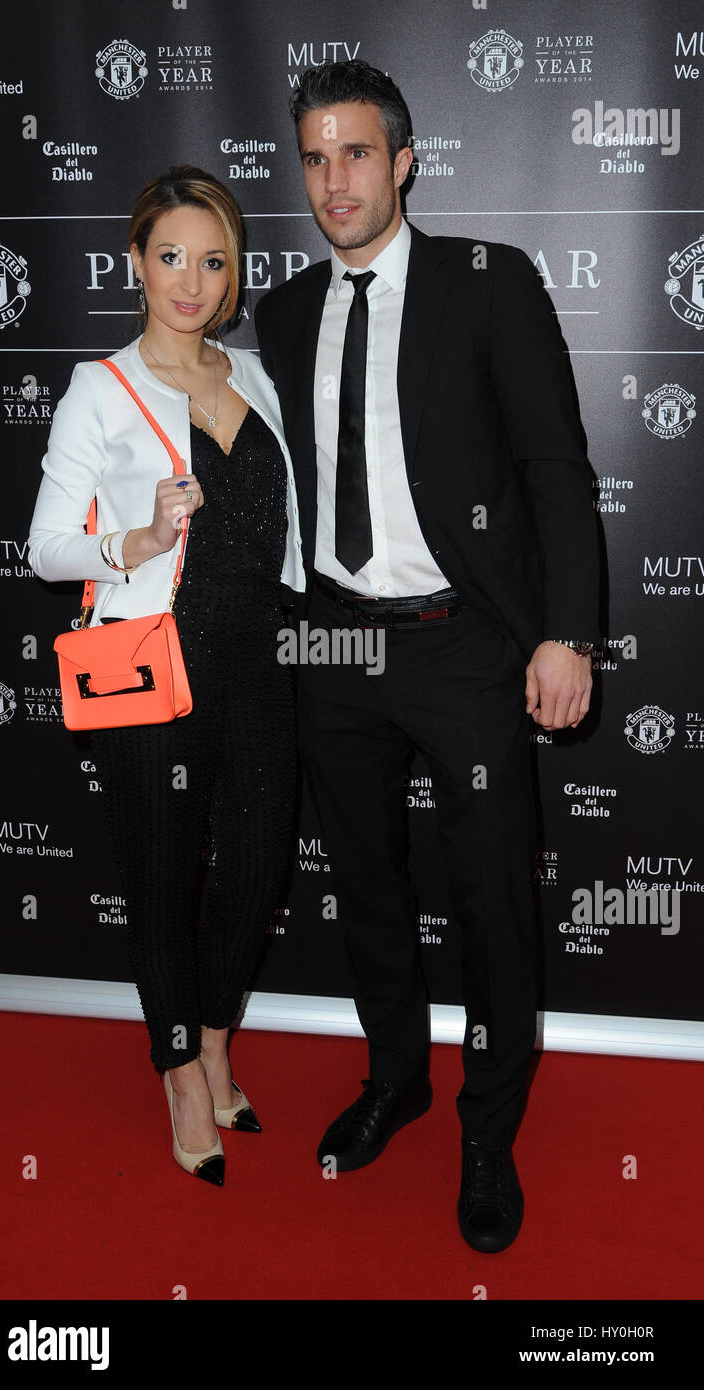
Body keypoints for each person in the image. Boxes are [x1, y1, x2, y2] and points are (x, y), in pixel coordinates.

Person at [254, 61, 600, 1251]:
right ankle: (395, 1076)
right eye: (314, 156)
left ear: (402, 162)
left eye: (356, 153)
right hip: (335, 637)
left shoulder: (484, 284)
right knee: (366, 888)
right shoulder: (286, 310)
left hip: (464, 643)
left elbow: (555, 467)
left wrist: (564, 631)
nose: (333, 179)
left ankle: (484, 1129)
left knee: (492, 903)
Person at [28, 166, 305, 1185]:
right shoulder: (100, 387)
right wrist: (135, 537)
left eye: (214, 259)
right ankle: (182, 1070)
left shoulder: (253, 376)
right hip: (155, 664)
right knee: (159, 877)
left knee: (258, 866)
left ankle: (217, 1033)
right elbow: (46, 545)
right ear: (136, 260)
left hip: (258, 658)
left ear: (234, 273)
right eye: (172, 256)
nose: (191, 280)